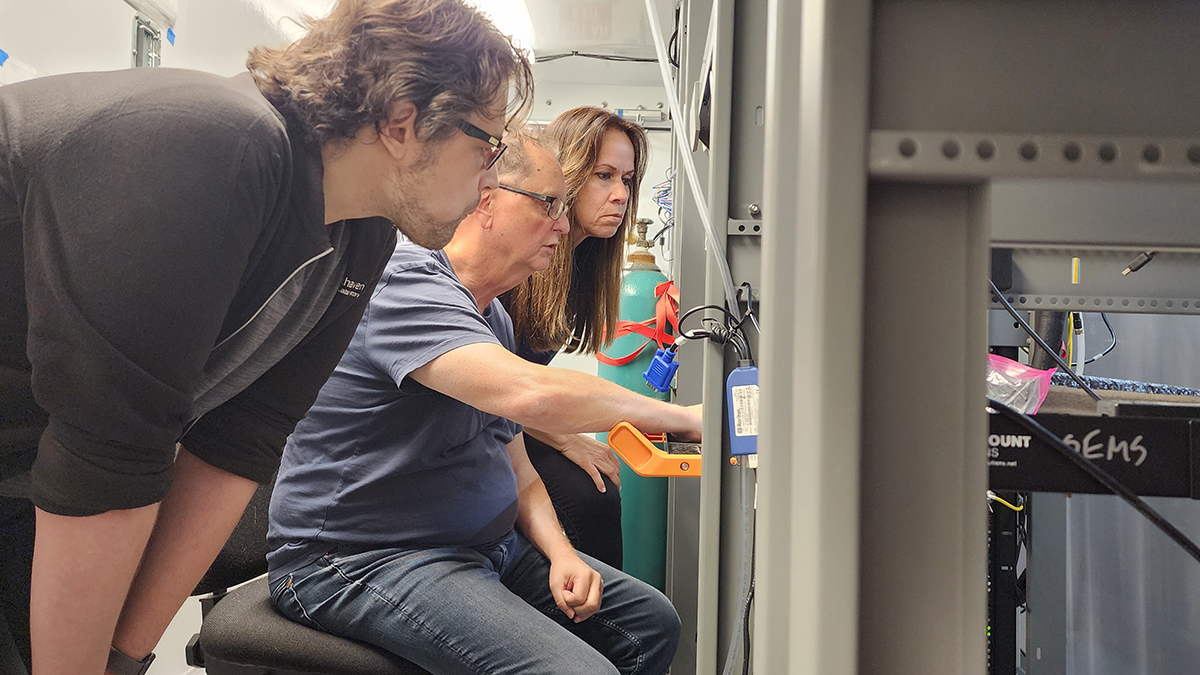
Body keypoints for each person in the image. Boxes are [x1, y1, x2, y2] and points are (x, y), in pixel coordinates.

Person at [0, 1, 533, 673]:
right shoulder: (215, 147)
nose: (492, 174)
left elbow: (241, 440)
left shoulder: (361, 231)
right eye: (488, 141)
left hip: (29, 467)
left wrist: (125, 656)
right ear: (403, 122)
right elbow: (107, 456)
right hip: (53, 459)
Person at [266, 130, 698, 675]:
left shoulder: (489, 316)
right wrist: (684, 419)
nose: (564, 226)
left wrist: (562, 554)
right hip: (361, 559)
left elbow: (515, 467)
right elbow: (533, 394)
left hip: (477, 550)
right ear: (487, 197)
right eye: (549, 206)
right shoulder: (402, 283)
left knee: (650, 622)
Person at [501, 107, 649, 569]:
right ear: (567, 174)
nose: (620, 195)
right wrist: (564, 438)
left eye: (627, 179)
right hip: (475, 423)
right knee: (588, 497)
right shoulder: (517, 266)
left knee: (598, 486)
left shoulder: (580, 269)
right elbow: (491, 388)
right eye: (603, 176)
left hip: (504, 420)